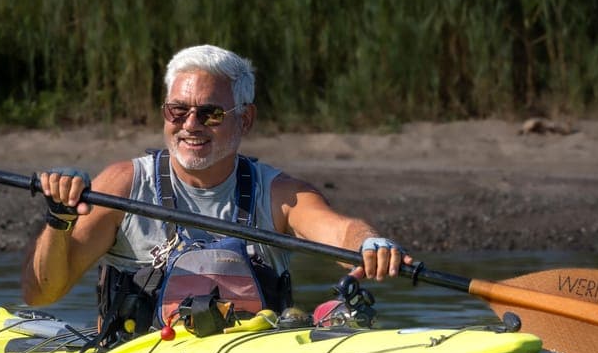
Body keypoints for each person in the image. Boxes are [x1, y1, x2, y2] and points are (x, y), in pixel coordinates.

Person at [21, 44, 412, 333]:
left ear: (245, 120)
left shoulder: (280, 194)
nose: (191, 124)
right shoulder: (124, 185)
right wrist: (60, 218)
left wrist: (369, 244)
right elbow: (42, 293)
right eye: (178, 110)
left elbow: (341, 231)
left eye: (210, 113)